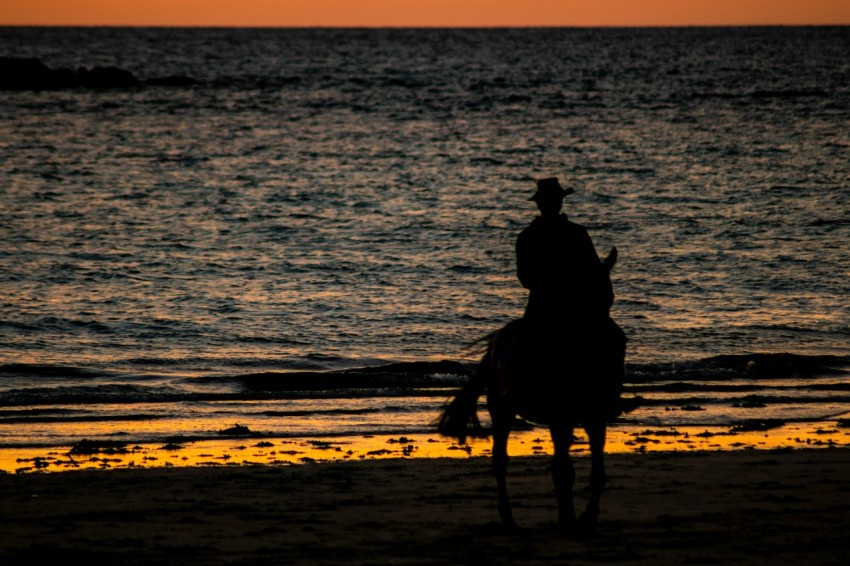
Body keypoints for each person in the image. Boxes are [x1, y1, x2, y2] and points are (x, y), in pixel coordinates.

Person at [507, 177, 626, 419]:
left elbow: (592, 270)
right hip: (550, 306)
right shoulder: (532, 236)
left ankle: (611, 397)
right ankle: (515, 393)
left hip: (564, 305)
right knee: (519, 348)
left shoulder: (571, 234)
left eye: (553, 200)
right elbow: (526, 278)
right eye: (548, 201)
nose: (551, 205)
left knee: (616, 338)